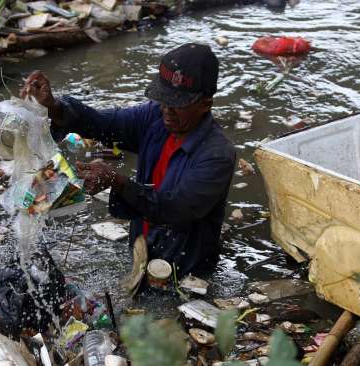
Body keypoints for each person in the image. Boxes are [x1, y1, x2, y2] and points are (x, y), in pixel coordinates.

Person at [20, 43, 236, 277]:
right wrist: (54, 106)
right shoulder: (155, 117)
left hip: (185, 267)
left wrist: (118, 182)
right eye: (163, 100)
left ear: (206, 104)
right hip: (142, 247)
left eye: (178, 104)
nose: (167, 110)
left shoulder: (217, 155)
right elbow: (104, 124)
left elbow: (174, 210)